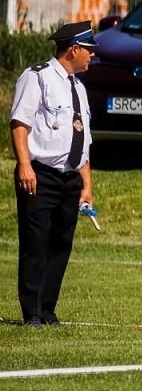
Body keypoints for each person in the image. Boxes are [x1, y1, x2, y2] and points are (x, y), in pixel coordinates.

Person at [11, 21, 96, 326]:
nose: (92, 56)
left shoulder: (79, 88)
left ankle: (48, 308)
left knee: (61, 244)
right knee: (36, 242)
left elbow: (81, 139)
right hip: (40, 173)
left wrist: (87, 184)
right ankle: (31, 311)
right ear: (73, 49)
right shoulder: (38, 78)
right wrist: (24, 164)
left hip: (69, 177)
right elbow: (20, 123)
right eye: (89, 50)